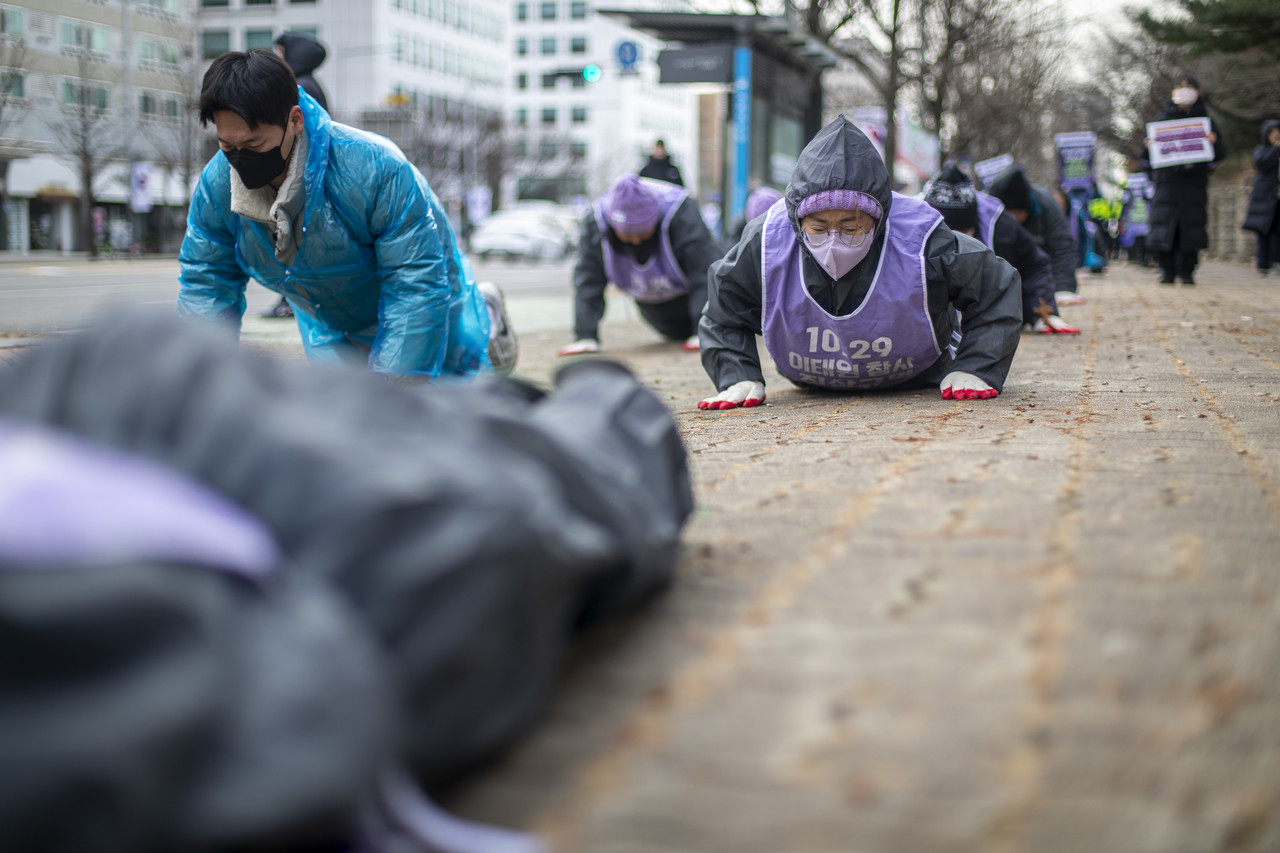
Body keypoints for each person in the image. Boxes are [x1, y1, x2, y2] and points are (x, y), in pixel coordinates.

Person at [0, 309, 692, 852]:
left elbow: (414, 269)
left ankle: (559, 391)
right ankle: (558, 397)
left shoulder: (361, 169)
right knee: (491, 481)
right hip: (227, 533)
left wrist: (399, 375)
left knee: (487, 471)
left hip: (130, 449)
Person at [178, 49, 516, 380]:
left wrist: (393, 393)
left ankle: (488, 312)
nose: (238, 159)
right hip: (329, 310)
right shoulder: (218, 185)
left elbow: (415, 287)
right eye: (227, 146)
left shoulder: (375, 170)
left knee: (455, 376)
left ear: (295, 121)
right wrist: (199, 382)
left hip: (421, 283)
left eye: (253, 146)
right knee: (350, 405)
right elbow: (206, 281)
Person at [697, 116, 1022, 410]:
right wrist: (737, 373)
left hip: (919, 378)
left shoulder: (921, 237)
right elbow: (725, 304)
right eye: (819, 228)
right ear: (798, 221)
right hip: (812, 384)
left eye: (852, 228)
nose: (834, 242)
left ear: (878, 218)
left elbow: (995, 284)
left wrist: (975, 366)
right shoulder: (767, 240)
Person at [558, 174, 722, 355]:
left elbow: (705, 273)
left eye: (643, 232)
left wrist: (705, 329)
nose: (636, 240)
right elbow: (588, 279)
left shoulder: (680, 211)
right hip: (654, 308)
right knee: (674, 334)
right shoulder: (595, 221)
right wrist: (585, 335)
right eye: (627, 235)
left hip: (693, 298)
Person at [922, 165, 1080, 335]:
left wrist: (1043, 313)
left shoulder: (1001, 224)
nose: (957, 242)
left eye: (965, 232)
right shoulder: (906, 226)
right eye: (948, 234)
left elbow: (1035, 264)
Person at [258, 32, 332, 320]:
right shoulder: (312, 84)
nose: (277, 58)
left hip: (299, 178)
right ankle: (293, 300)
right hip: (310, 177)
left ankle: (291, 301)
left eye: (279, 52)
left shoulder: (300, 87)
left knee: (292, 240)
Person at [1142, 75, 1227, 286]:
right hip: (1167, 188)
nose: (1185, 91)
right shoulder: (1161, 122)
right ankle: (1167, 271)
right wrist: (1147, 147)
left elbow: (1220, 153)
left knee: (1191, 231)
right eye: (1180, 87)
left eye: (1189, 87)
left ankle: (1187, 271)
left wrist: (1213, 144)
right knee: (1166, 231)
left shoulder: (1206, 123)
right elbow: (1144, 158)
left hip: (1193, 187)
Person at [986, 163, 1086, 306]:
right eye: (1008, 216)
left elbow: (1063, 246)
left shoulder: (1047, 205)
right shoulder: (990, 212)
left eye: (1016, 215)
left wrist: (1063, 289)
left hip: (1042, 270)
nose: (1012, 221)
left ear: (1025, 209)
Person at [1243, 120, 1280, 277]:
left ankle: (1277, 261)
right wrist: (1276, 148)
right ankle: (1263, 264)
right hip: (1265, 198)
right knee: (1264, 231)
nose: (1276, 136)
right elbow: (1262, 164)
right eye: (1272, 133)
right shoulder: (1261, 151)